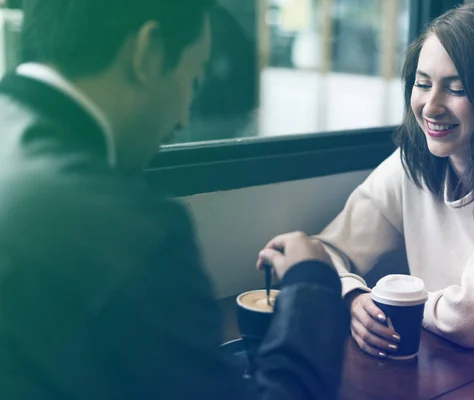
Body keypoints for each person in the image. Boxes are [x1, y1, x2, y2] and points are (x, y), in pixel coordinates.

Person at [0, 1, 349, 399]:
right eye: (193, 80)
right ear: (148, 52)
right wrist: (311, 285)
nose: (183, 117)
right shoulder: (125, 227)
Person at [260, 2, 474, 383]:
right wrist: (352, 297)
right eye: (423, 84)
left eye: (457, 89)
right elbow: (332, 248)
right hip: (465, 369)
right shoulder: (417, 159)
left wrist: (384, 302)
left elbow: (472, 318)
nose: (431, 107)